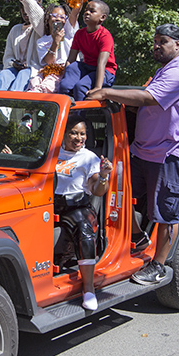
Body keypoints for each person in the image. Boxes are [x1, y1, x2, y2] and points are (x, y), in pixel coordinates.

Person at [86, 24, 179, 285]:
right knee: (118, 194)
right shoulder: (164, 71)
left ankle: (158, 265)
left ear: (178, 45)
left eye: (162, 41)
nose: (156, 46)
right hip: (143, 150)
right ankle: (137, 236)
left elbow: (147, 98)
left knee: (165, 213)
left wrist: (105, 92)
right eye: (155, 41)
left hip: (170, 153)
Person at [54, 114, 113, 310]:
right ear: (63, 133)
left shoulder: (89, 158)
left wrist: (103, 176)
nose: (78, 138)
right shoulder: (52, 152)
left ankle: (88, 289)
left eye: (82, 134)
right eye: (73, 133)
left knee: (84, 227)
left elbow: (97, 189)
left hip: (77, 207)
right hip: (50, 206)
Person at [28, 0, 89, 93]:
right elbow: (49, 62)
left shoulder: (69, 33)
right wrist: (55, 42)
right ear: (48, 18)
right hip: (49, 71)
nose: (58, 19)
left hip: (66, 71)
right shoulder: (42, 41)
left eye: (62, 17)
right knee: (34, 82)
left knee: (47, 85)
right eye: (55, 15)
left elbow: (75, 12)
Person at [59, 0, 117, 101]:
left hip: (105, 72)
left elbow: (102, 64)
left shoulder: (105, 36)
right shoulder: (79, 34)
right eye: (86, 10)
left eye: (92, 11)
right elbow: (70, 59)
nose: (87, 13)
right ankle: (64, 108)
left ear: (102, 17)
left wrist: (98, 88)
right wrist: (64, 78)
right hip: (87, 67)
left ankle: (80, 115)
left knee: (80, 87)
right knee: (67, 80)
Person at [0, 0, 45, 91]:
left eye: (28, 8)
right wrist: (13, 64)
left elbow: (38, 17)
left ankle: (12, 105)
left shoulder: (41, 29)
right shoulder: (15, 30)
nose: (25, 12)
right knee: (5, 74)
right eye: (22, 8)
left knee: (23, 74)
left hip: (33, 71)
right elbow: (7, 57)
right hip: (14, 70)